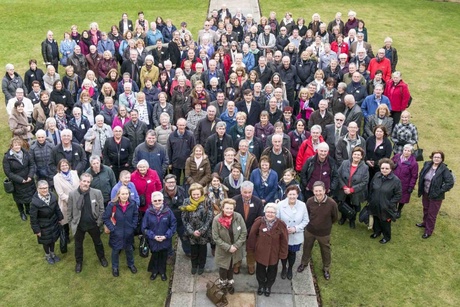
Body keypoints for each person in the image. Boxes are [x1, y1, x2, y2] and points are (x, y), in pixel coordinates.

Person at [297, 181, 338, 281]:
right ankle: (304, 263)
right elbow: (306, 214)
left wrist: (325, 226)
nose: (318, 193)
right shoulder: (310, 201)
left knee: (325, 251)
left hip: (324, 233)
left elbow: (335, 217)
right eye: (316, 191)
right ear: (313, 191)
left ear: (324, 191)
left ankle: (326, 268)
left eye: (320, 191)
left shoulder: (332, 203)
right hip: (310, 230)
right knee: (306, 247)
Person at [67, 173, 107, 273]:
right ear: (80, 181)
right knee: (78, 245)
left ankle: (102, 258)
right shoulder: (72, 194)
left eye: (88, 182)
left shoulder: (97, 193)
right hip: (79, 225)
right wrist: (71, 224)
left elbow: (102, 210)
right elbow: (69, 211)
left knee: (98, 242)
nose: (86, 183)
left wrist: (98, 222)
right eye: (84, 181)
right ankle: (79, 262)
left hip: (93, 224)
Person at [247, 202, 288, 297]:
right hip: (261, 252)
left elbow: (284, 241)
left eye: (272, 212)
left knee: (272, 271)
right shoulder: (259, 222)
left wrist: (283, 254)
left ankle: (268, 286)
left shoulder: (281, 224)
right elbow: (252, 235)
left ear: (276, 213)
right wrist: (251, 249)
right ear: (264, 212)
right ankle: (261, 285)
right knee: (260, 270)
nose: (270, 214)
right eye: (268, 212)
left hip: (274, 253)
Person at [212, 198, 247, 295]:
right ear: (222, 208)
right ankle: (223, 284)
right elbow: (215, 237)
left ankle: (230, 283)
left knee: (232, 266)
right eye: (227, 208)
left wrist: (236, 246)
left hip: (235, 249)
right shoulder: (216, 220)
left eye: (231, 209)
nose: (229, 211)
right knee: (223, 268)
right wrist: (228, 247)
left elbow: (243, 233)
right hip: (223, 250)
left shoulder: (238, 217)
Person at [416, 151, 454, 239]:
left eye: (439, 157)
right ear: (432, 157)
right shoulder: (427, 164)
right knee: (426, 209)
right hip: (425, 192)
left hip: (436, 196)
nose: (436, 159)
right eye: (435, 157)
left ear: (442, 159)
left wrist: (440, 191)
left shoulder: (444, 169)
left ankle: (428, 231)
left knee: (432, 214)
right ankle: (425, 223)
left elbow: (450, 182)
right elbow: (422, 175)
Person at [103, 186, 139, 277]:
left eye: (127, 194)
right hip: (116, 233)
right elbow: (106, 218)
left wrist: (132, 227)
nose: (125, 196)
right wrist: (112, 229)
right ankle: (115, 267)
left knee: (129, 249)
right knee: (115, 251)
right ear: (118, 194)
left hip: (128, 232)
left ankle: (131, 264)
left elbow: (135, 215)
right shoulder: (112, 205)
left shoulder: (133, 204)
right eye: (123, 194)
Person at [142, 191, 176, 281]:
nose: (157, 202)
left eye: (159, 200)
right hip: (153, 240)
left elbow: (173, 225)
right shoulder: (148, 212)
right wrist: (153, 236)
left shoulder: (168, 212)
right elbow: (144, 228)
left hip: (165, 240)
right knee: (155, 256)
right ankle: (154, 271)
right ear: (152, 201)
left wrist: (166, 236)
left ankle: (162, 272)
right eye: (155, 200)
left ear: (163, 201)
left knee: (163, 256)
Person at [276, 185, 309, 280]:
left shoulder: (302, 205)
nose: (292, 196)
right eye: (290, 194)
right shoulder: (280, 205)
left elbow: (306, 220)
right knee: (283, 253)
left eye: (294, 194)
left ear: (298, 195)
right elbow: (276, 219)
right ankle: (283, 268)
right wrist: (283, 229)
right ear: (287, 194)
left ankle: (290, 268)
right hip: (283, 234)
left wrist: (296, 228)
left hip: (295, 235)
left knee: (292, 253)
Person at [232, 181, 264, 275]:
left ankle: (251, 265)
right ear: (241, 191)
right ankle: (237, 264)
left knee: (251, 249)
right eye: (245, 192)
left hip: (252, 231)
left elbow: (260, 218)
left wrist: (250, 231)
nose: (247, 195)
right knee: (237, 248)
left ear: (252, 191)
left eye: (249, 192)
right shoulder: (234, 200)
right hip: (237, 231)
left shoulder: (257, 202)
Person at [180, 183, 213, 275]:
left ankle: (201, 265)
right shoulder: (186, 202)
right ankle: (194, 265)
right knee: (193, 250)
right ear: (190, 193)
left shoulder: (207, 201)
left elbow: (210, 217)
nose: (196, 196)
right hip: (191, 232)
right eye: (193, 194)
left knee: (203, 250)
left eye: (197, 194)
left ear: (201, 193)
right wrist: (191, 231)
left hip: (204, 232)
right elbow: (184, 218)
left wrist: (202, 230)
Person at [368, 158, 402, 244]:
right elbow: (371, 187)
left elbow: (398, 195)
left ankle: (386, 237)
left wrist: (389, 203)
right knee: (376, 219)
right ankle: (377, 232)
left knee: (385, 222)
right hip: (375, 203)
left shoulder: (396, 180)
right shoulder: (376, 175)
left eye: (387, 168)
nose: (384, 170)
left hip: (386, 206)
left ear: (391, 169)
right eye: (382, 168)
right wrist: (371, 199)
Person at [30, 180, 64, 264]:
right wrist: (37, 230)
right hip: (43, 226)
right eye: (42, 188)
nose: (44, 190)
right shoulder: (34, 203)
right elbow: (33, 218)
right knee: (46, 242)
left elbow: (57, 208)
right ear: (38, 189)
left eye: (46, 188)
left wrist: (60, 218)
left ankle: (53, 254)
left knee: (53, 239)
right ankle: (47, 255)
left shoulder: (53, 196)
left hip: (53, 222)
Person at [3, 137, 37, 221]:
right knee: (19, 198)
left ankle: (28, 209)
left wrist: (30, 176)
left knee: (29, 195)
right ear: (11, 146)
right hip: (17, 182)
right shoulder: (7, 158)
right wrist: (20, 180)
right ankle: (22, 212)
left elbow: (32, 165)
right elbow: (8, 172)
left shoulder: (26, 153)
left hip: (29, 180)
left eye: (18, 145)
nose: (17, 146)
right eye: (15, 145)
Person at [336, 147, 369, 228]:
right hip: (344, 190)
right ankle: (343, 218)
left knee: (354, 206)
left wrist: (352, 189)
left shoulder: (365, 167)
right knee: (344, 204)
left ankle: (352, 220)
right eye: (355, 154)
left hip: (356, 192)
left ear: (361, 156)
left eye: (358, 155)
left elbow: (365, 182)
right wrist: (344, 187)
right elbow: (338, 175)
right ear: (352, 155)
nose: (356, 156)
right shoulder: (345, 163)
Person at [53, 158, 80, 243]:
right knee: (65, 221)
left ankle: (77, 234)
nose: (64, 167)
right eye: (62, 165)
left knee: (77, 218)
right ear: (59, 167)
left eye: (66, 165)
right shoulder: (56, 178)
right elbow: (60, 194)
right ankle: (66, 236)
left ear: (69, 165)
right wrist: (71, 200)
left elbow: (79, 186)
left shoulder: (74, 173)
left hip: (78, 201)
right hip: (65, 203)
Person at [131, 159, 162, 227]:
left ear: (147, 167)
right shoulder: (133, 176)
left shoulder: (153, 173)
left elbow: (158, 185)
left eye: (144, 167)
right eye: (140, 167)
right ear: (137, 167)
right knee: (142, 219)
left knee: (152, 218)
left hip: (152, 201)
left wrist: (157, 195)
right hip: (141, 202)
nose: (142, 168)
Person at [392, 144, 419, 218]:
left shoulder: (414, 163)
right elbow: (390, 163)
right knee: (393, 195)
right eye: (405, 150)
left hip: (404, 183)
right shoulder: (397, 156)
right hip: (394, 180)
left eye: (408, 151)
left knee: (402, 198)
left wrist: (411, 186)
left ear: (411, 152)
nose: (406, 152)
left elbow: (414, 176)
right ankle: (393, 209)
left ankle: (399, 210)